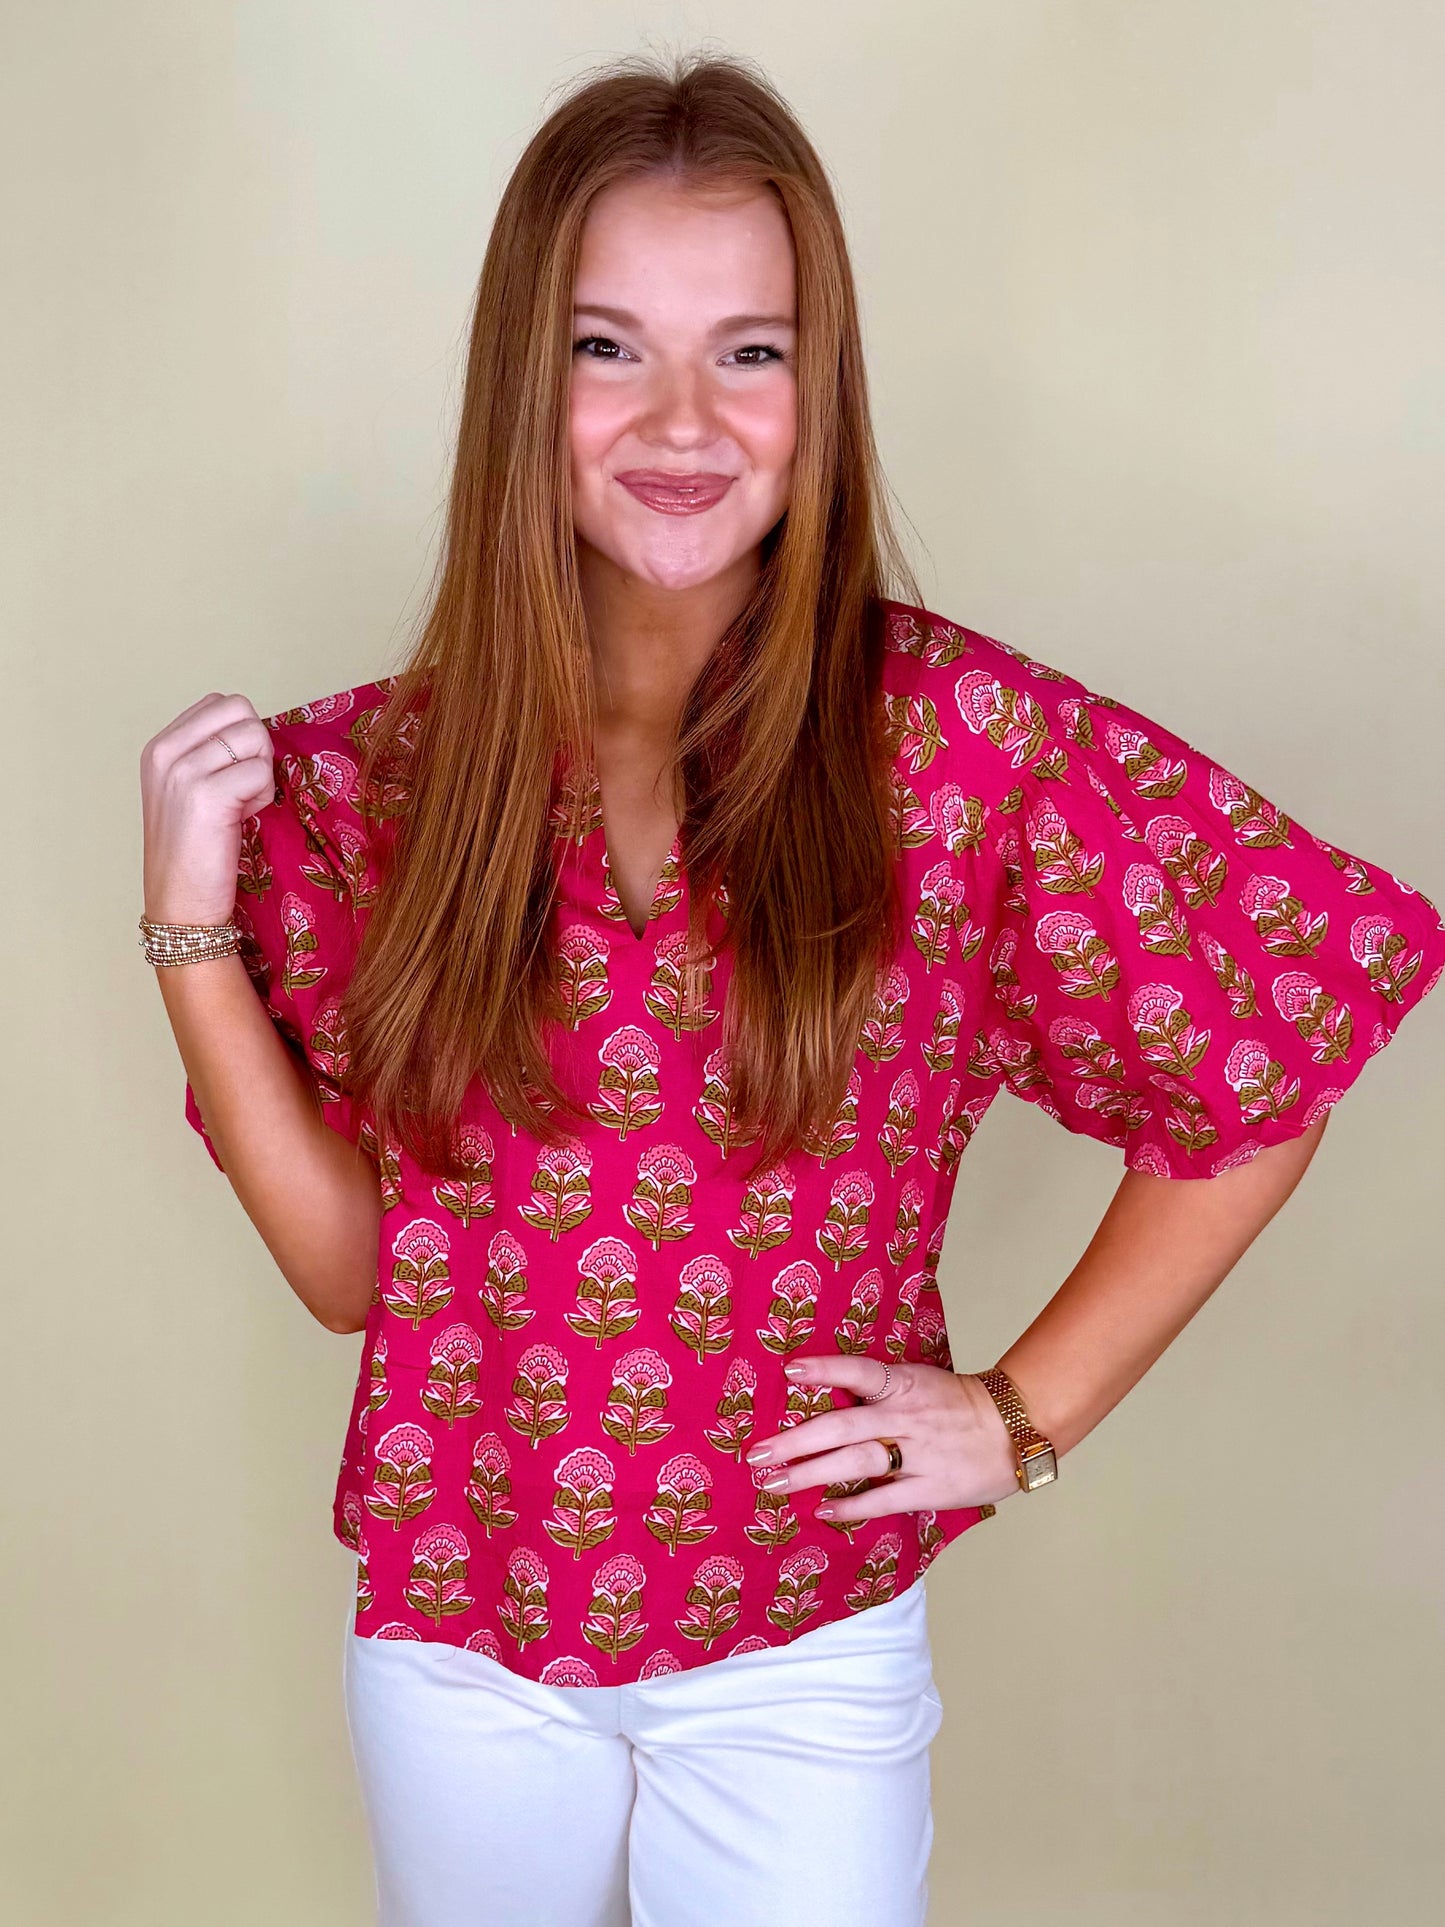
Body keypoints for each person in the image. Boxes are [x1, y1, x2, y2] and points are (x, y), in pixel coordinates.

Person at [137, 49, 1445, 1927]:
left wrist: (1018, 1416)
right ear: (520, 383)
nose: (682, 417)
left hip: (798, 1645)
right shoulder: (372, 787)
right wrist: (188, 930)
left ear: (820, 387)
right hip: (458, 1638)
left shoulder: (963, 750)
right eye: (606, 349)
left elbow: (1260, 1067)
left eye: (749, 351)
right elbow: (358, 1275)